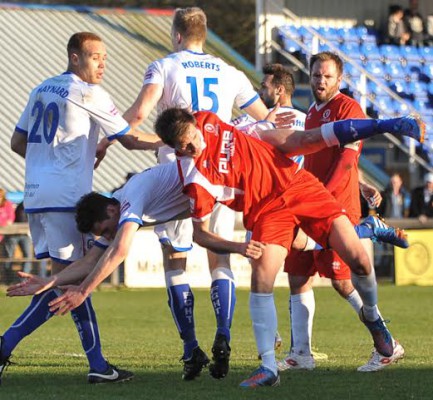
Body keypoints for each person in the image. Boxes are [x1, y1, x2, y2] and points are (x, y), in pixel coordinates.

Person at [11, 109, 422, 388]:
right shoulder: (186, 174)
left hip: (285, 183)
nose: (191, 150)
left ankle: (367, 286)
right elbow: (99, 255)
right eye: (183, 147)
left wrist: (82, 290)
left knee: (341, 255)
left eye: (106, 226)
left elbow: (114, 253)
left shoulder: (140, 191)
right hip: (263, 204)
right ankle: (267, 365)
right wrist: (50, 281)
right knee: (281, 264)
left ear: (112, 209)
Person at [151, 107, 421, 387]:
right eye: (185, 146)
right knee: (262, 277)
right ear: (176, 150)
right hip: (267, 209)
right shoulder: (196, 180)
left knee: (360, 262)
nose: (195, 145)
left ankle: (373, 316)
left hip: (296, 183)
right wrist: (237, 247)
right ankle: (268, 366)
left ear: (196, 124)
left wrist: (261, 120)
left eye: (193, 136)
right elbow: (201, 234)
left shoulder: (204, 118)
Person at [118, 6, 269, 380]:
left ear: (178, 35)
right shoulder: (230, 72)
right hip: (223, 173)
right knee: (221, 260)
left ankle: (191, 349)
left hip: (179, 174)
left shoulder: (164, 66)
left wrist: (112, 139)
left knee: (175, 262)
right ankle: (224, 334)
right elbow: (264, 118)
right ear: (204, 33)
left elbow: (138, 113)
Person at [1, 31, 160, 385]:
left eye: (104, 57)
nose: (102, 63)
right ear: (75, 58)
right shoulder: (89, 92)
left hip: (36, 197)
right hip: (65, 200)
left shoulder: (41, 88)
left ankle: (97, 363)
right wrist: (173, 143)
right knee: (71, 279)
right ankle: (10, 347)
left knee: (65, 279)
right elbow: (131, 140)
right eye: (94, 57)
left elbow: (16, 142)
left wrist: (50, 160)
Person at [278, 51, 405, 374]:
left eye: (327, 76)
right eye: (317, 75)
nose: (321, 81)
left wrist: (334, 192)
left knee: (343, 282)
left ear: (340, 79)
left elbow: (347, 158)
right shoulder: (313, 111)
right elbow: (324, 157)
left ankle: (387, 344)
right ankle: (301, 353)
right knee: (297, 274)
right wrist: (361, 184)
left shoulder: (349, 109)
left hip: (335, 208)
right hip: (310, 204)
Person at [3, 202, 42, 281]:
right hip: (13, 234)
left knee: (27, 256)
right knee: (9, 257)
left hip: (25, 234)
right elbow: (21, 219)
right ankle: (8, 279)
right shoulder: (23, 205)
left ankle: (23, 279)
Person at [0, 188, 15, 283]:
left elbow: (10, 219)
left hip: (6, 236)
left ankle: (5, 279)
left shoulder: (7, 204)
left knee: (7, 257)